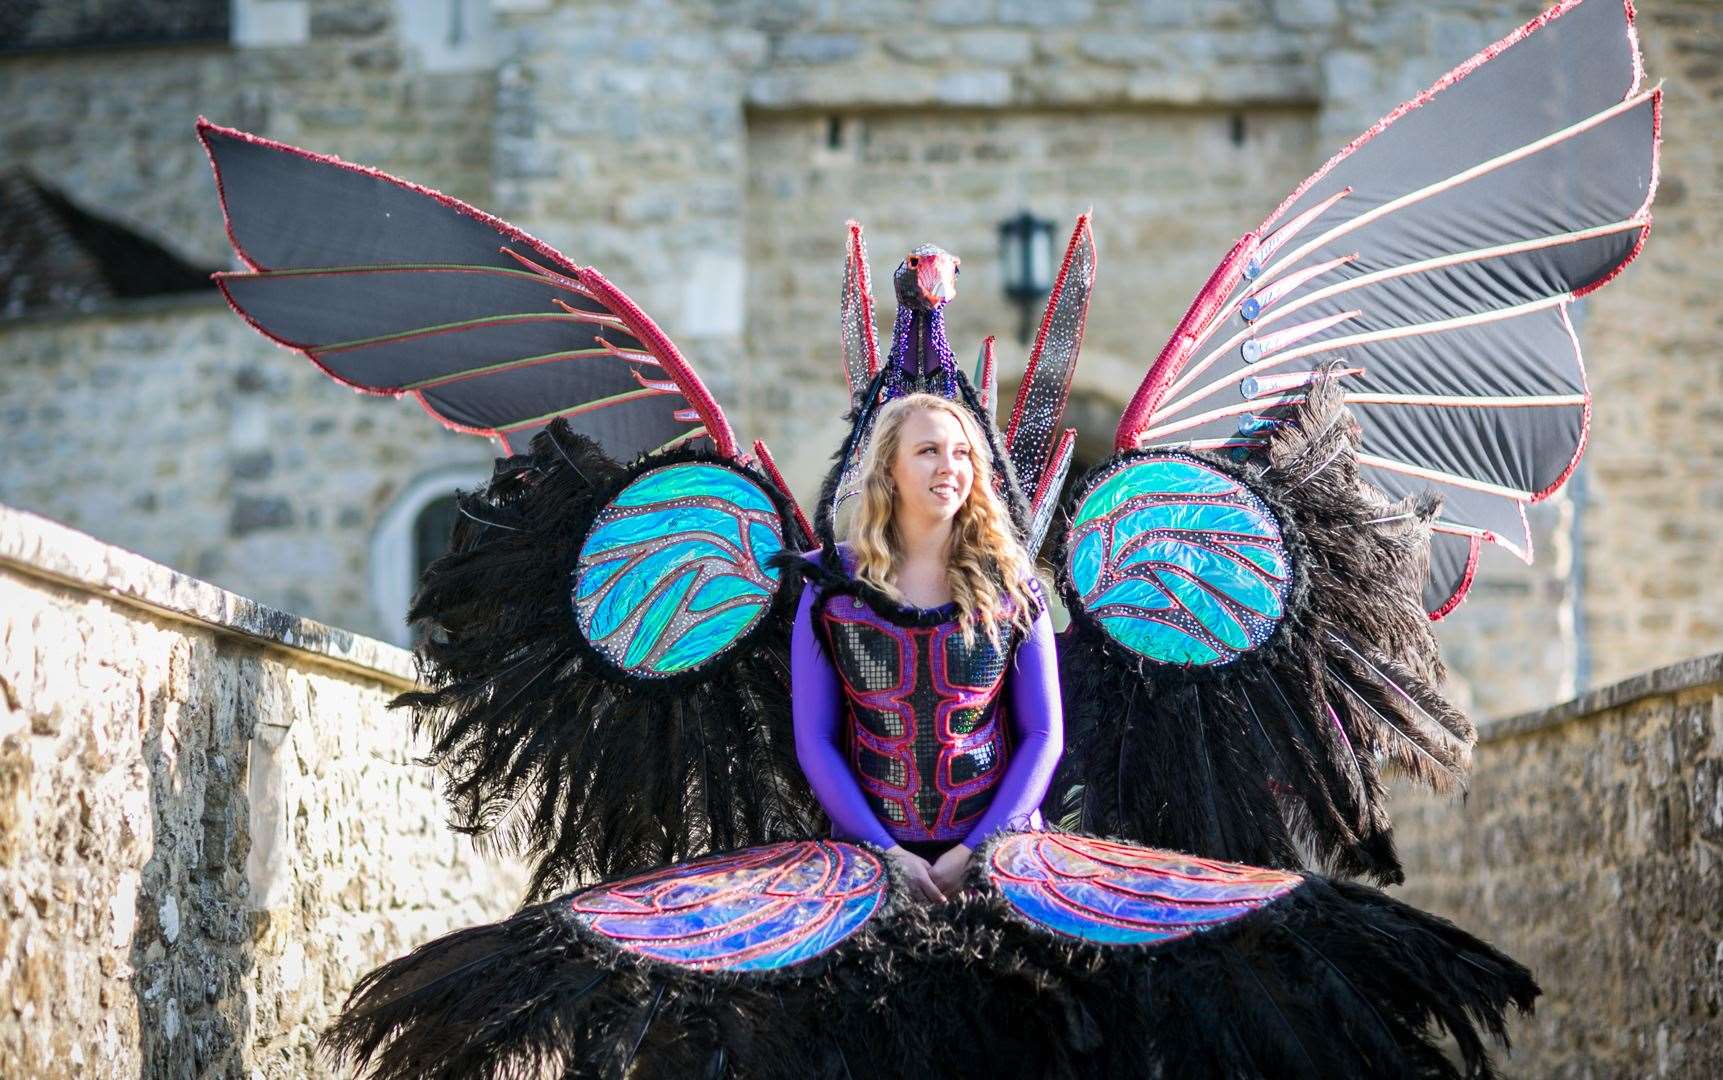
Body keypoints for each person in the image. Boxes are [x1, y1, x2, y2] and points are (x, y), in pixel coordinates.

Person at [789, 392, 1062, 903]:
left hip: (1000, 861)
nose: (949, 466)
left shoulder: (1012, 582)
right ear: (889, 470)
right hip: (868, 865)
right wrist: (887, 855)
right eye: (928, 451)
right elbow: (815, 740)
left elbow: (1044, 734)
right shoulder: (830, 587)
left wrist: (977, 850)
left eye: (961, 453)